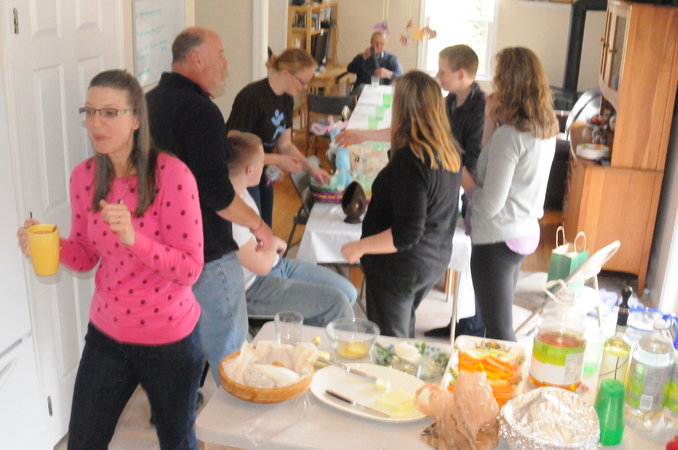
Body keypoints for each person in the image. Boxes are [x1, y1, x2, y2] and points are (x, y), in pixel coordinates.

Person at [17, 70, 205, 449]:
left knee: (177, 440)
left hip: (168, 337)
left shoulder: (173, 176)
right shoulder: (84, 177)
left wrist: (135, 238)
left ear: (136, 119)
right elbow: (86, 255)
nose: (95, 123)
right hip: (108, 333)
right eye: (89, 112)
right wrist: (49, 245)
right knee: (83, 441)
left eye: (109, 112)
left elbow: (190, 268)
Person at [146, 27, 273, 383]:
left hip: (160, 252)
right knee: (231, 358)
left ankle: (180, 407)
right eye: (220, 54)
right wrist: (258, 225)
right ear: (197, 58)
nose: (225, 63)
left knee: (178, 344)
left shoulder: (148, 103)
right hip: (206, 254)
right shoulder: (201, 111)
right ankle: (233, 417)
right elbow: (217, 194)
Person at [341, 71, 462, 338]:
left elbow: (406, 233)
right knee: (402, 332)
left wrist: (360, 247)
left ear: (403, 108)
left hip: (400, 267)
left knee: (391, 343)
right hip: (431, 259)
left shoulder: (411, 159)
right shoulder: (446, 150)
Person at [464, 47, 558, 342]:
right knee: (497, 325)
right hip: (523, 233)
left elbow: (490, 204)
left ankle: (509, 372)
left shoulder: (510, 136)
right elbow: (493, 162)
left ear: (509, 84)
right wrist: (489, 120)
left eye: (498, 79)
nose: (495, 85)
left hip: (497, 239)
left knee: (500, 331)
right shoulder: (544, 129)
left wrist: (464, 180)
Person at [228, 131, 357, 324]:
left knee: (348, 293)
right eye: (262, 162)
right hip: (255, 286)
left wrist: (271, 244)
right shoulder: (230, 215)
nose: (265, 165)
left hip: (276, 264)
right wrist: (274, 243)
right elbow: (261, 266)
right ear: (249, 170)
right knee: (336, 304)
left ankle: (317, 332)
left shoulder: (242, 191)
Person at [226, 48, 331, 228]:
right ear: (286, 72)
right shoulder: (251, 97)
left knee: (265, 225)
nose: (305, 87)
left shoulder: (286, 99)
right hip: (244, 175)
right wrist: (276, 160)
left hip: (263, 171)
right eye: (303, 81)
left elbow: (286, 145)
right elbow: (233, 148)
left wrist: (311, 169)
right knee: (254, 227)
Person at [424, 44, 486, 338]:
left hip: (471, 188)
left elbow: (471, 160)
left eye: (442, 71)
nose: (438, 76)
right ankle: (464, 322)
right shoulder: (449, 101)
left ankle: (474, 326)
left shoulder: (480, 108)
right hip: (450, 182)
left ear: (461, 74)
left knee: (477, 260)